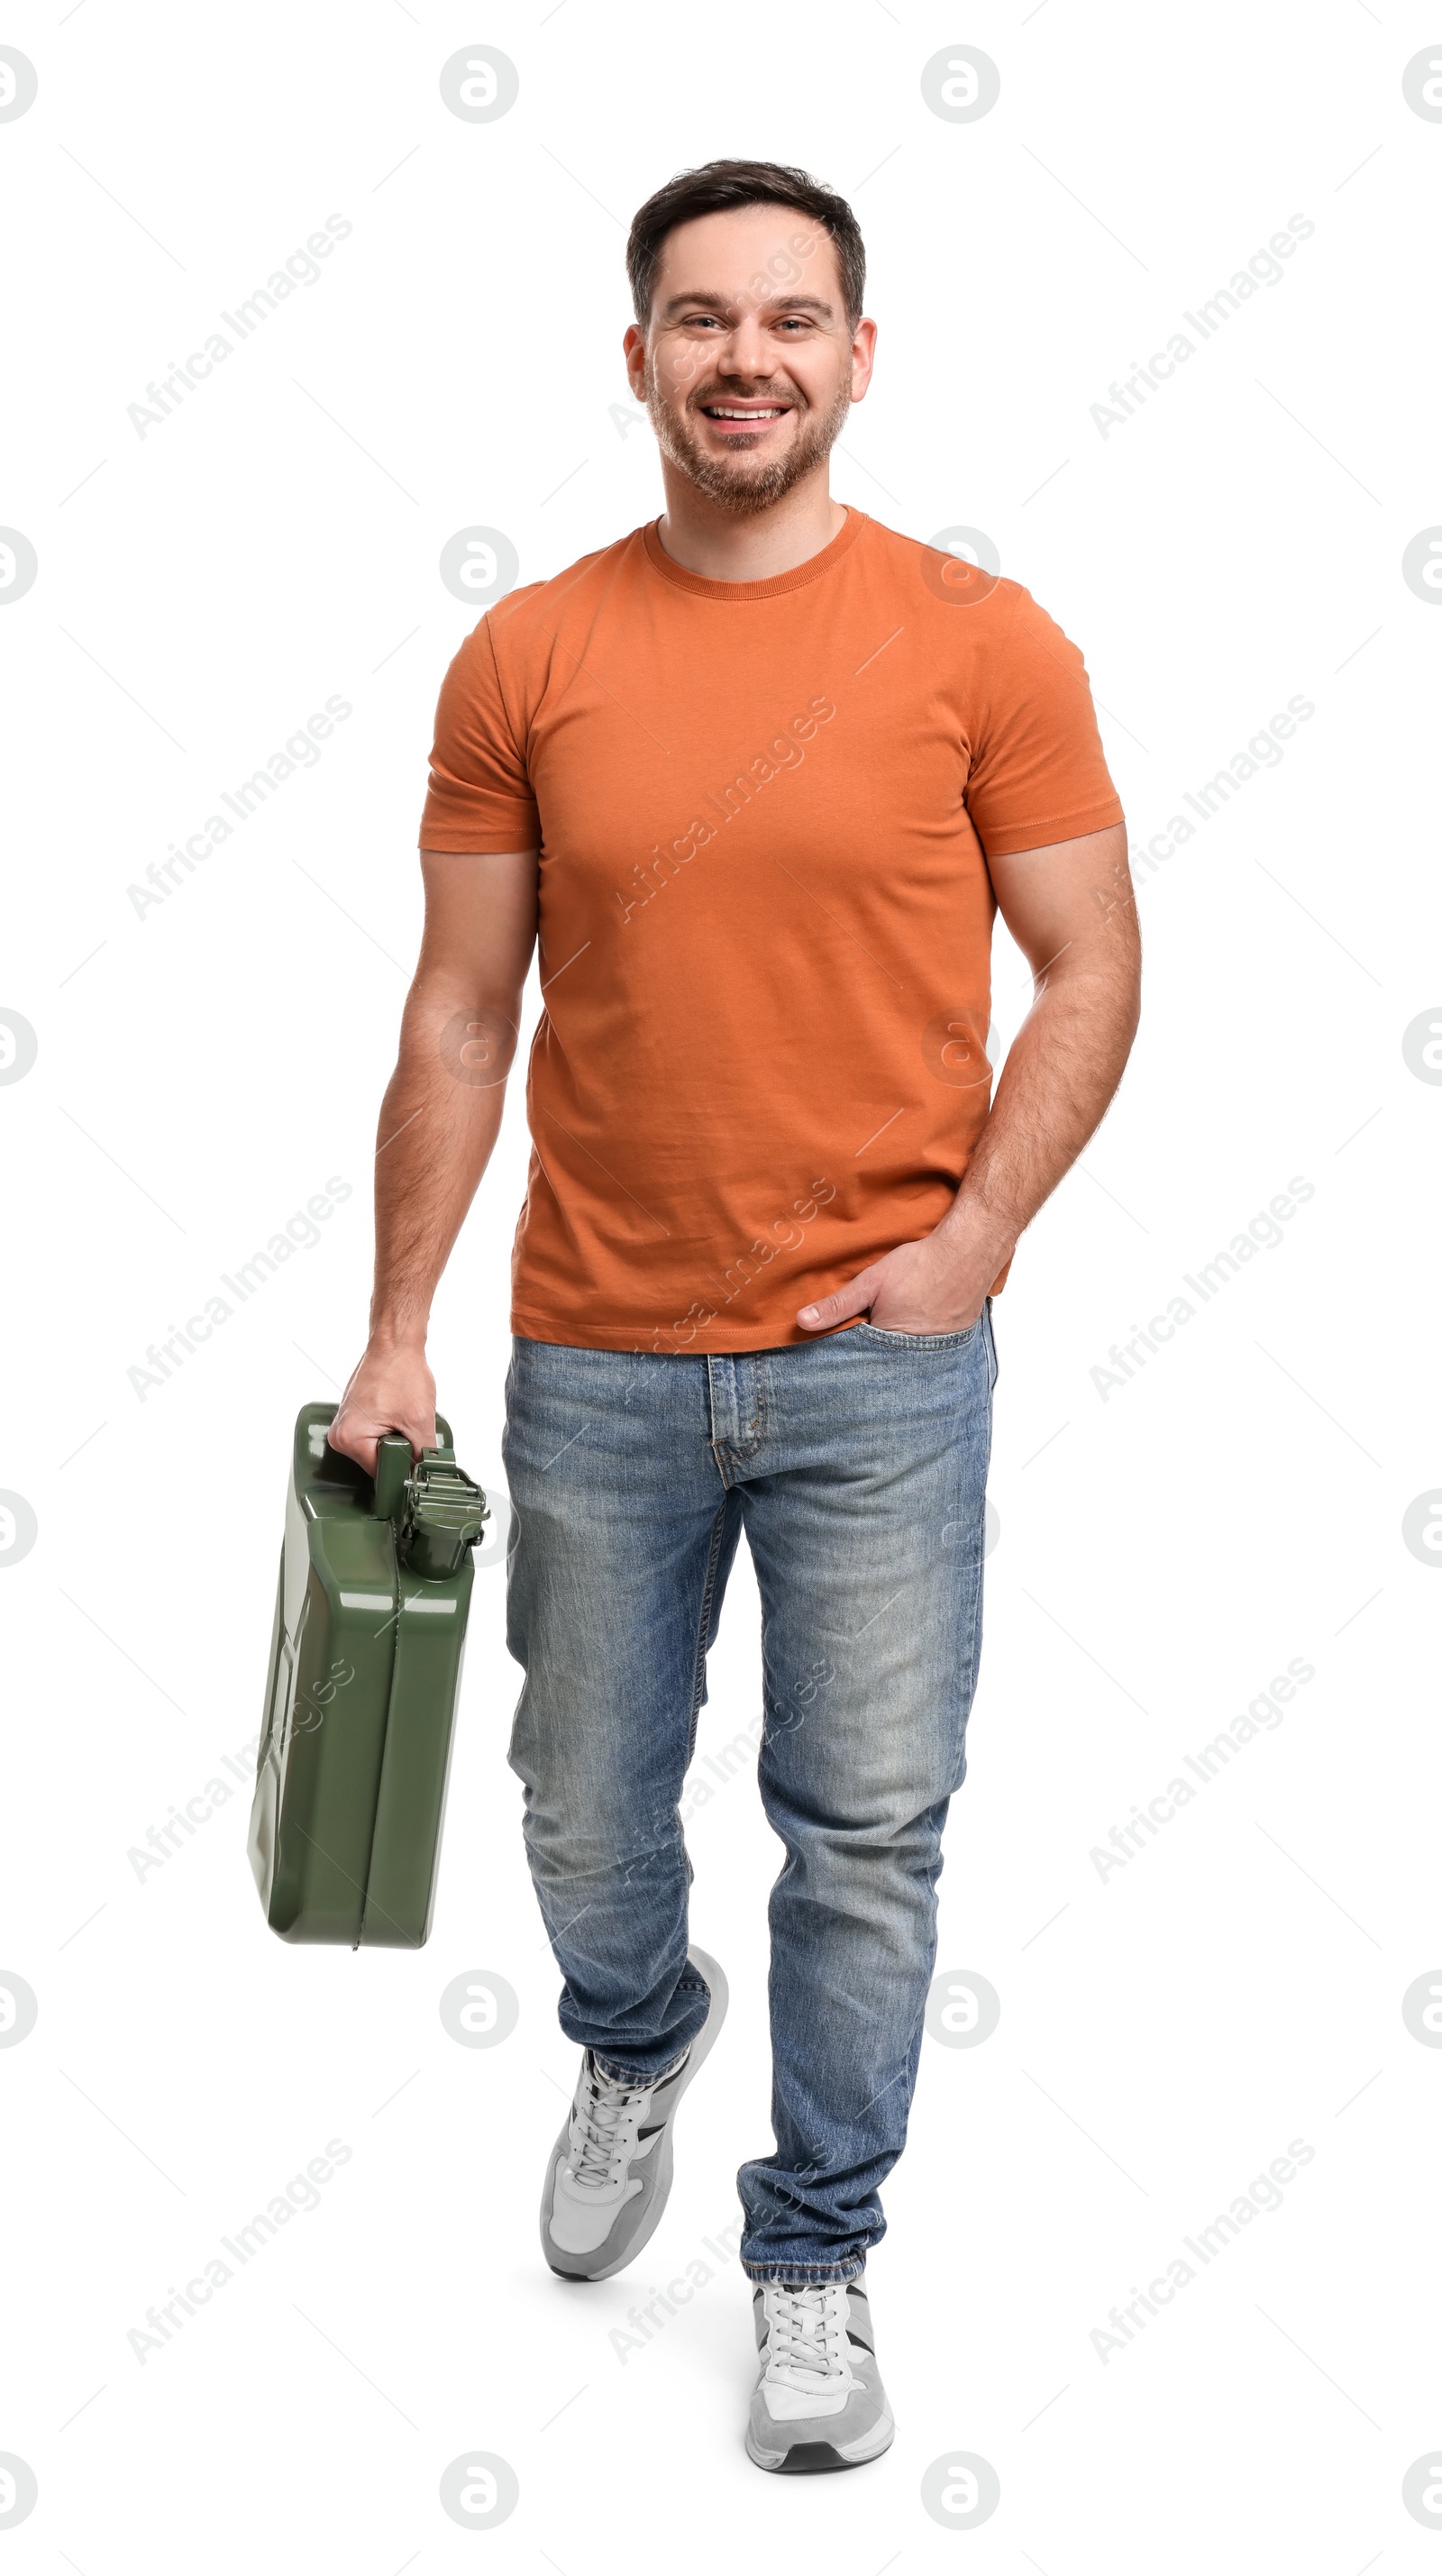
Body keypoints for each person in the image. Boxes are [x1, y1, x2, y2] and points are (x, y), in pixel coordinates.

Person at [330, 156, 1139, 2473]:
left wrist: (975, 1238)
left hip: (884, 1355)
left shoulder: (983, 643)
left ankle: (811, 2256)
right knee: (579, 1805)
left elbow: (1088, 963)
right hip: (588, 1351)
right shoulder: (529, 654)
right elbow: (460, 1013)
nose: (747, 356)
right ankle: (636, 2020)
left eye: (792, 318)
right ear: (640, 359)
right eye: (701, 318)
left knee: (865, 1829)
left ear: (858, 359)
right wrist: (398, 1331)